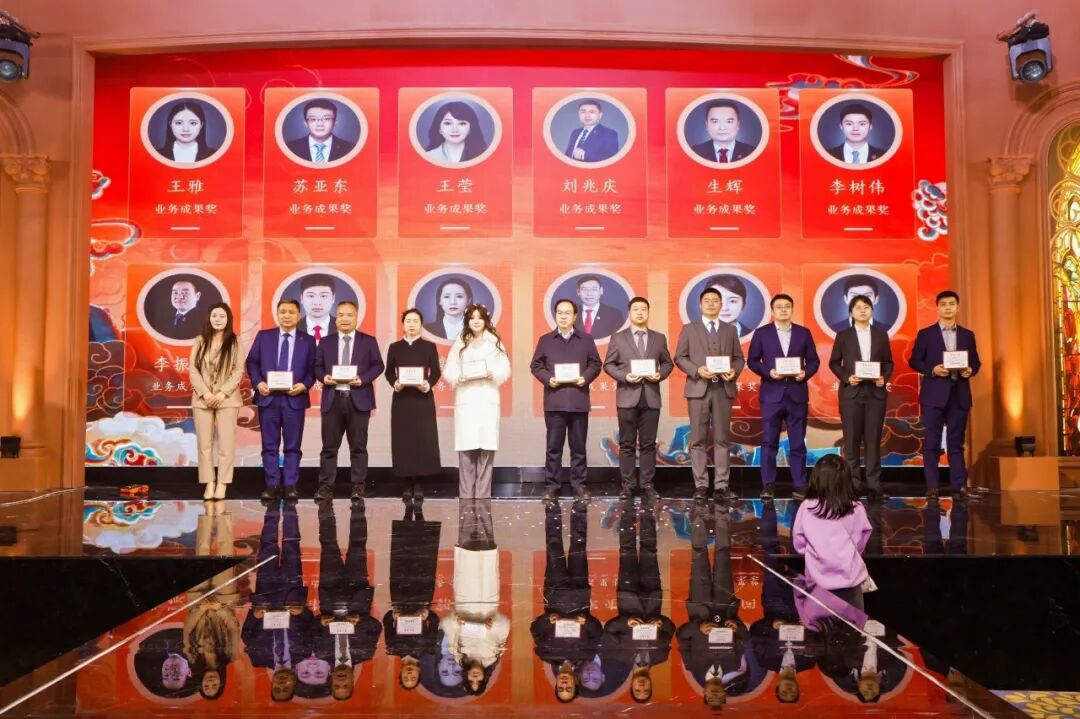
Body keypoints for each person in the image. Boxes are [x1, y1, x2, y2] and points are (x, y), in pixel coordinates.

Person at [908, 290, 981, 500]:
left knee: (956, 443)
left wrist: (970, 370)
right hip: (933, 395)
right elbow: (915, 360)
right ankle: (932, 487)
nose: (948, 307)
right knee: (931, 442)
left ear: (957, 308)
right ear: (937, 308)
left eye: (951, 304)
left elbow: (975, 362)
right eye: (943, 304)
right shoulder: (926, 334)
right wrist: (932, 369)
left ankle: (959, 486)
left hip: (959, 395)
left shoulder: (967, 335)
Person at [677, 503, 751, 709]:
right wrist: (736, 626)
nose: (716, 694)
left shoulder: (693, 666)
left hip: (700, 607)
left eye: (712, 697)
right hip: (725, 607)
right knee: (723, 554)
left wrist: (699, 628)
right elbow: (743, 637)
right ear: (725, 694)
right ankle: (721, 512)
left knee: (699, 554)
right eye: (720, 697)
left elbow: (682, 637)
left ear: (704, 693)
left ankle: (699, 512)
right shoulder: (734, 665)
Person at [747, 294, 820, 500]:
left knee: (797, 443)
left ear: (792, 309)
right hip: (772, 394)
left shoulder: (803, 333)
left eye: (787, 306)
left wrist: (805, 373)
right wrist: (768, 372)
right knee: (769, 442)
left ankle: (799, 484)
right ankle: (768, 485)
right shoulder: (762, 333)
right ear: (773, 311)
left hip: (797, 394)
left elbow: (813, 361)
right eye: (779, 307)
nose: (783, 310)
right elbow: (752, 361)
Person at [674, 287, 745, 501]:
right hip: (698, 389)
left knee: (723, 438)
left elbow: (739, 358)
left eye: (715, 300)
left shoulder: (730, 330)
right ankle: (701, 485)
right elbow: (680, 357)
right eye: (707, 300)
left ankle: (722, 485)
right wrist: (697, 370)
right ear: (700, 305)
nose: (711, 304)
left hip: (723, 388)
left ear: (721, 305)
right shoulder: (689, 329)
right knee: (698, 439)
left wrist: (734, 370)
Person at [603, 501, 676, 704]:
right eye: (645, 689)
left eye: (638, 689)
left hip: (628, 596)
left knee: (627, 550)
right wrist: (660, 623)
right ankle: (647, 507)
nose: (642, 686)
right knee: (649, 550)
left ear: (632, 685)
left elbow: (609, 630)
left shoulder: (620, 657)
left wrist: (626, 623)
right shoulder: (661, 657)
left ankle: (627, 508)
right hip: (652, 596)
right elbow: (670, 629)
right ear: (650, 684)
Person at [602, 296, 674, 501]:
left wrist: (660, 374)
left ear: (648, 313)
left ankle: (647, 485)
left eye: (644, 309)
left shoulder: (658, 338)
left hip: (651, 396)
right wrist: (625, 376)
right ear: (629, 313)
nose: (640, 313)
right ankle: (627, 486)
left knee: (649, 444)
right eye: (636, 309)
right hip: (627, 396)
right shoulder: (618, 338)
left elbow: (667, 363)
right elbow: (608, 365)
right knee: (626, 444)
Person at [531, 500, 603, 703]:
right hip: (579, 594)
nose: (564, 684)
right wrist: (585, 622)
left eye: (561, 687)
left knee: (553, 547)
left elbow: (535, 629)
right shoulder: (587, 656)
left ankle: (551, 507)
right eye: (568, 687)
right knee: (578, 546)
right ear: (576, 683)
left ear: (556, 684)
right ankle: (580, 507)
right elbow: (596, 631)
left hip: (555, 593)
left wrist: (548, 620)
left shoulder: (546, 654)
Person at [241, 502, 314, 703]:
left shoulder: (258, 659)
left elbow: (247, 634)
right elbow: (311, 626)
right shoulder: (304, 653)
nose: (282, 684)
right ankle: (290, 505)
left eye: (277, 688)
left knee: (268, 545)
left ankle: (272, 506)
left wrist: (255, 616)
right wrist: (301, 612)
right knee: (292, 545)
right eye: (286, 688)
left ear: (272, 683)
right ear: (293, 683)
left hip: (267, 594)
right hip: (291, 594)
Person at [531, 298, 603, 501]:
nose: (563, 316)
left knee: (578, 448)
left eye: (567, 313)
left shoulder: (586, 339)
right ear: (555, 315)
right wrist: (548, 379)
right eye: (560, 313)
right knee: (553, 448)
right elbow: (536, 366)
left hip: (578, 401)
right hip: (554, 401)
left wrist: (584, 378)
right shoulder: (546, 340)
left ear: (575, 316)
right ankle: (552, 486)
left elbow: (596, 364)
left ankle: (579, 486)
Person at [245, 299, 316, 502]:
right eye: (283, 311)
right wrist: (258, 383)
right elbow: (252, 362)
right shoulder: (264, 336)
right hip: (268, 399)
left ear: (299, 316)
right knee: (270, 446)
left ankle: (291, 485)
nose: (286, 315)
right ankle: (272, 485)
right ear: (277, 314)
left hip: (295, 400)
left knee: (293, 446)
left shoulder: (308, 340)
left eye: (291, 312)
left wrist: (304, 385)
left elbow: (314, 368)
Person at [314, 300, 384, 502]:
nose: (345, 319)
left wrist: (363, 379)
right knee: (329, 447)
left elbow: (378, 365)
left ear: (356, 317)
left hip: (358, 399)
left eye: (349, 315)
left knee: (358, 447)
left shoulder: (368, 341)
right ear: (336, 318)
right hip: (332, 399)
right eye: (341, 315)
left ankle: (358, 487)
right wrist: (324, 377)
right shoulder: (326, 342)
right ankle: (326, 487)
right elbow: (317, 366)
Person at [311, 499, 381, 701]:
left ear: (331, 680)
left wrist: (321, 621)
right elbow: (375, 627)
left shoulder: (321, 653)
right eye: (345, 685)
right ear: (352, 681)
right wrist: (360, 620)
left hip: (330, 592)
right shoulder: (365, 653)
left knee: (328, 545)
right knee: (358, 545)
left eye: (337, 685)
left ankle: (325, 505)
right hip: (357, 592)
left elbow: (312, 627)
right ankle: (358, 505)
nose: (341, 681)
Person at [828, 294, 894, 498]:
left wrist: (883, 377)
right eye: (858, 307)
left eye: (866, 307)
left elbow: (888, 363)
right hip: (851, 394)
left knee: (873, 441)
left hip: (875, 394)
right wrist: (847, 377)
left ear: (872, 310)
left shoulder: (881, 335)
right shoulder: (843, 335)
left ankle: (874, 484)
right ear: (851, 312)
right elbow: (833, 363)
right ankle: (854, 484)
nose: (863, 310)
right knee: (851, 441)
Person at [442, 304, 511, 498]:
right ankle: (465, 496)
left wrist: (493, 374)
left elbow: (505, 367)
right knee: (466, 448)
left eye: (480, 317)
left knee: (486, 448)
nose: (476, 321)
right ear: (467, 321)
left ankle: (483, 497)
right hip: (466, 398)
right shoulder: (461, 341)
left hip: (487, 397)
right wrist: (458, 377)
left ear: (486, 320)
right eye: (472, 318)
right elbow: (449, 369)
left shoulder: (495, 341)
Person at [442, 500, 509, 696]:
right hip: (488, 598)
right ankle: (483, 500)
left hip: (465, 599)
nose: (475, 677)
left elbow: (447, 625)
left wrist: (459, 622)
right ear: (484, 678)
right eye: (478, 680)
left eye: (471, 680)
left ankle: (466, 498)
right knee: (487, 552)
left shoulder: (458, 654)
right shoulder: (494, 656)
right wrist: (490, 625)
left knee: (466, 552)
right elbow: (505, 625)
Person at [792, 455, 872, 611]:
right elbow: (862, 539)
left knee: (819, 626)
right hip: (850, 584)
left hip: (816, 584)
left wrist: (813, 554)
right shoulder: (856, 508)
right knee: (851, 626)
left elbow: (799, 542)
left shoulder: (807, 507)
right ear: (846, 480)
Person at [383, 492, 442, 691]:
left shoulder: (392, 648)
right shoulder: (428, 649)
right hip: (422, 596)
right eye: (413, 678)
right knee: (424, 555)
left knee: (402, 554)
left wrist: (394, 615)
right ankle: (420, 511)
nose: (409, 675)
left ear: (400, 673)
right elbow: (435, 621)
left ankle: (408, 510)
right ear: (419, 673)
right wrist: (426, 614)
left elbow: (386, 621)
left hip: (399, 596)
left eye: (406, 678)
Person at [386, 308, 442, 502]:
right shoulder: (395, 347)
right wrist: (395, 383)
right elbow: (388, 372)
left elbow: (435, 371)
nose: (411, 324)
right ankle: (406, 483)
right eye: (408, 321)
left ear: (421, 324)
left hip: (422, 399)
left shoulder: (429, 346)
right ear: (403, 324)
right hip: (402, 399)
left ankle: (418, 483)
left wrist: (428, 384)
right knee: (403, 440)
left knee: (422, 439)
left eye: (415, 321)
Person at [189, 302, 243, 500]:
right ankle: (209, 483)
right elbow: (193, 369)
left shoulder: (235, 341)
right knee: (204, 444)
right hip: (202, 399)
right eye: (214, 316)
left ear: (228, 319)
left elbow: (238, 369)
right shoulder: (200, 340)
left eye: (222, 316)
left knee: (226, 445)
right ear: (209, 318)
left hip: (227, 399)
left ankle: (222, 484)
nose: (218, 319)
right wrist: (205, 393)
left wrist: (221, 393)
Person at [285, 98, 357, 164]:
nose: (320, 124)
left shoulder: (350, 148)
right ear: (306, 123)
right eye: (313, 119)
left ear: (335, 122)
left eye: (326, 119)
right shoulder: (290, 148)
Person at [691, 100, 757, 164]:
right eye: (715, 121)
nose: (722, 128)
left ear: (738, 125)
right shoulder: (694, 152)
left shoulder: (753, 152)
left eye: (729, 121)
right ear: (707, 125)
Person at [424, 100, 489, 164]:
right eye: (448, 123)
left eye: (462, 123)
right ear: (439, 128)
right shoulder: (429, 156)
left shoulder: (483, 156)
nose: (455, 130)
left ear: (470, 129)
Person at [563, 98, 620, 162]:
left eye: (592, 112)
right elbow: (567, 156)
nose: (587, 115)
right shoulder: (575, 133)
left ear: (600, 115)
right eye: (583, 112)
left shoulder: (609, 133)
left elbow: (612, 159)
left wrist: (584, 155)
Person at [423, 276, 473, 340]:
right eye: (447, 296)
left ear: (468, 301)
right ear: (439, 301)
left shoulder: (477, 329)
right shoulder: (427, 329)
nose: (453, 302)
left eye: (459, 296)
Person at [295, 273, 337, 343]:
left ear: (333, 298)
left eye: (323, 296)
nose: (317, 302)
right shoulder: (294, 327)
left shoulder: (342, 326)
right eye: (311, 296)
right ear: (301, 298)